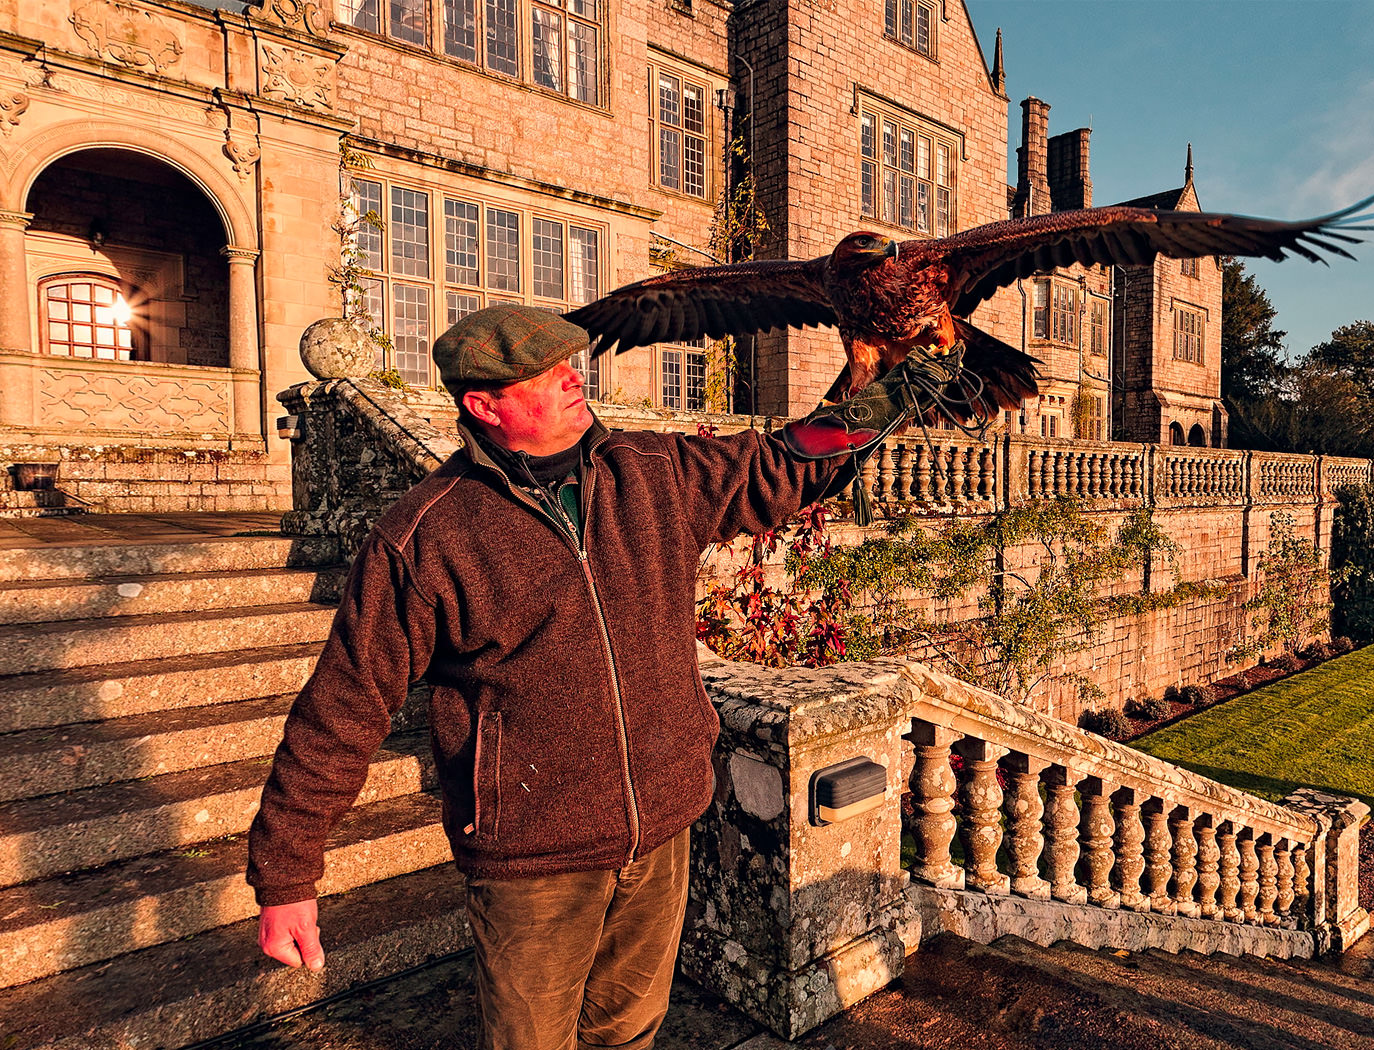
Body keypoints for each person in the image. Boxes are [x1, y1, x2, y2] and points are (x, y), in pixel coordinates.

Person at [247, 306, 951, 1050]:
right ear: (484, 406)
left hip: (662, 830)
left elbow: (780, 462)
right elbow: (343, 707)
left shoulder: (650, 472)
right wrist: (286, 877)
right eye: (545, 375)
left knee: (629, 1036)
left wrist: (886, 396)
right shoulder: (426, 538)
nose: (571, 379)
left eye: (569, 363)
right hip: (533, 863)